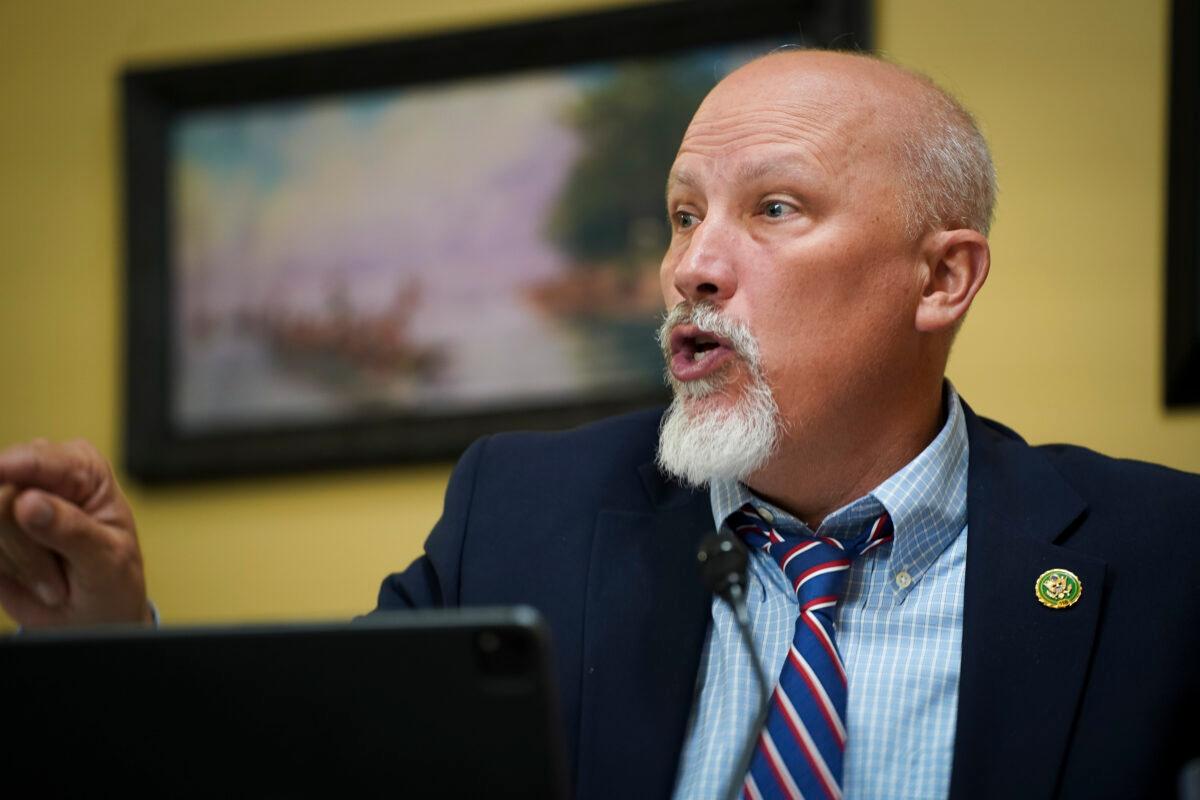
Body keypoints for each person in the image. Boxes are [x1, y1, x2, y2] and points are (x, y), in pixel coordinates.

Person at [0, 50, 1197, 800]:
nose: (692, 266)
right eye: (682, 216)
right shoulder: (524, 509)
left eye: (772, 208)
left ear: (942, 280)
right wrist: (109, 637)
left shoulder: (1160, 551)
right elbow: (311, 769)